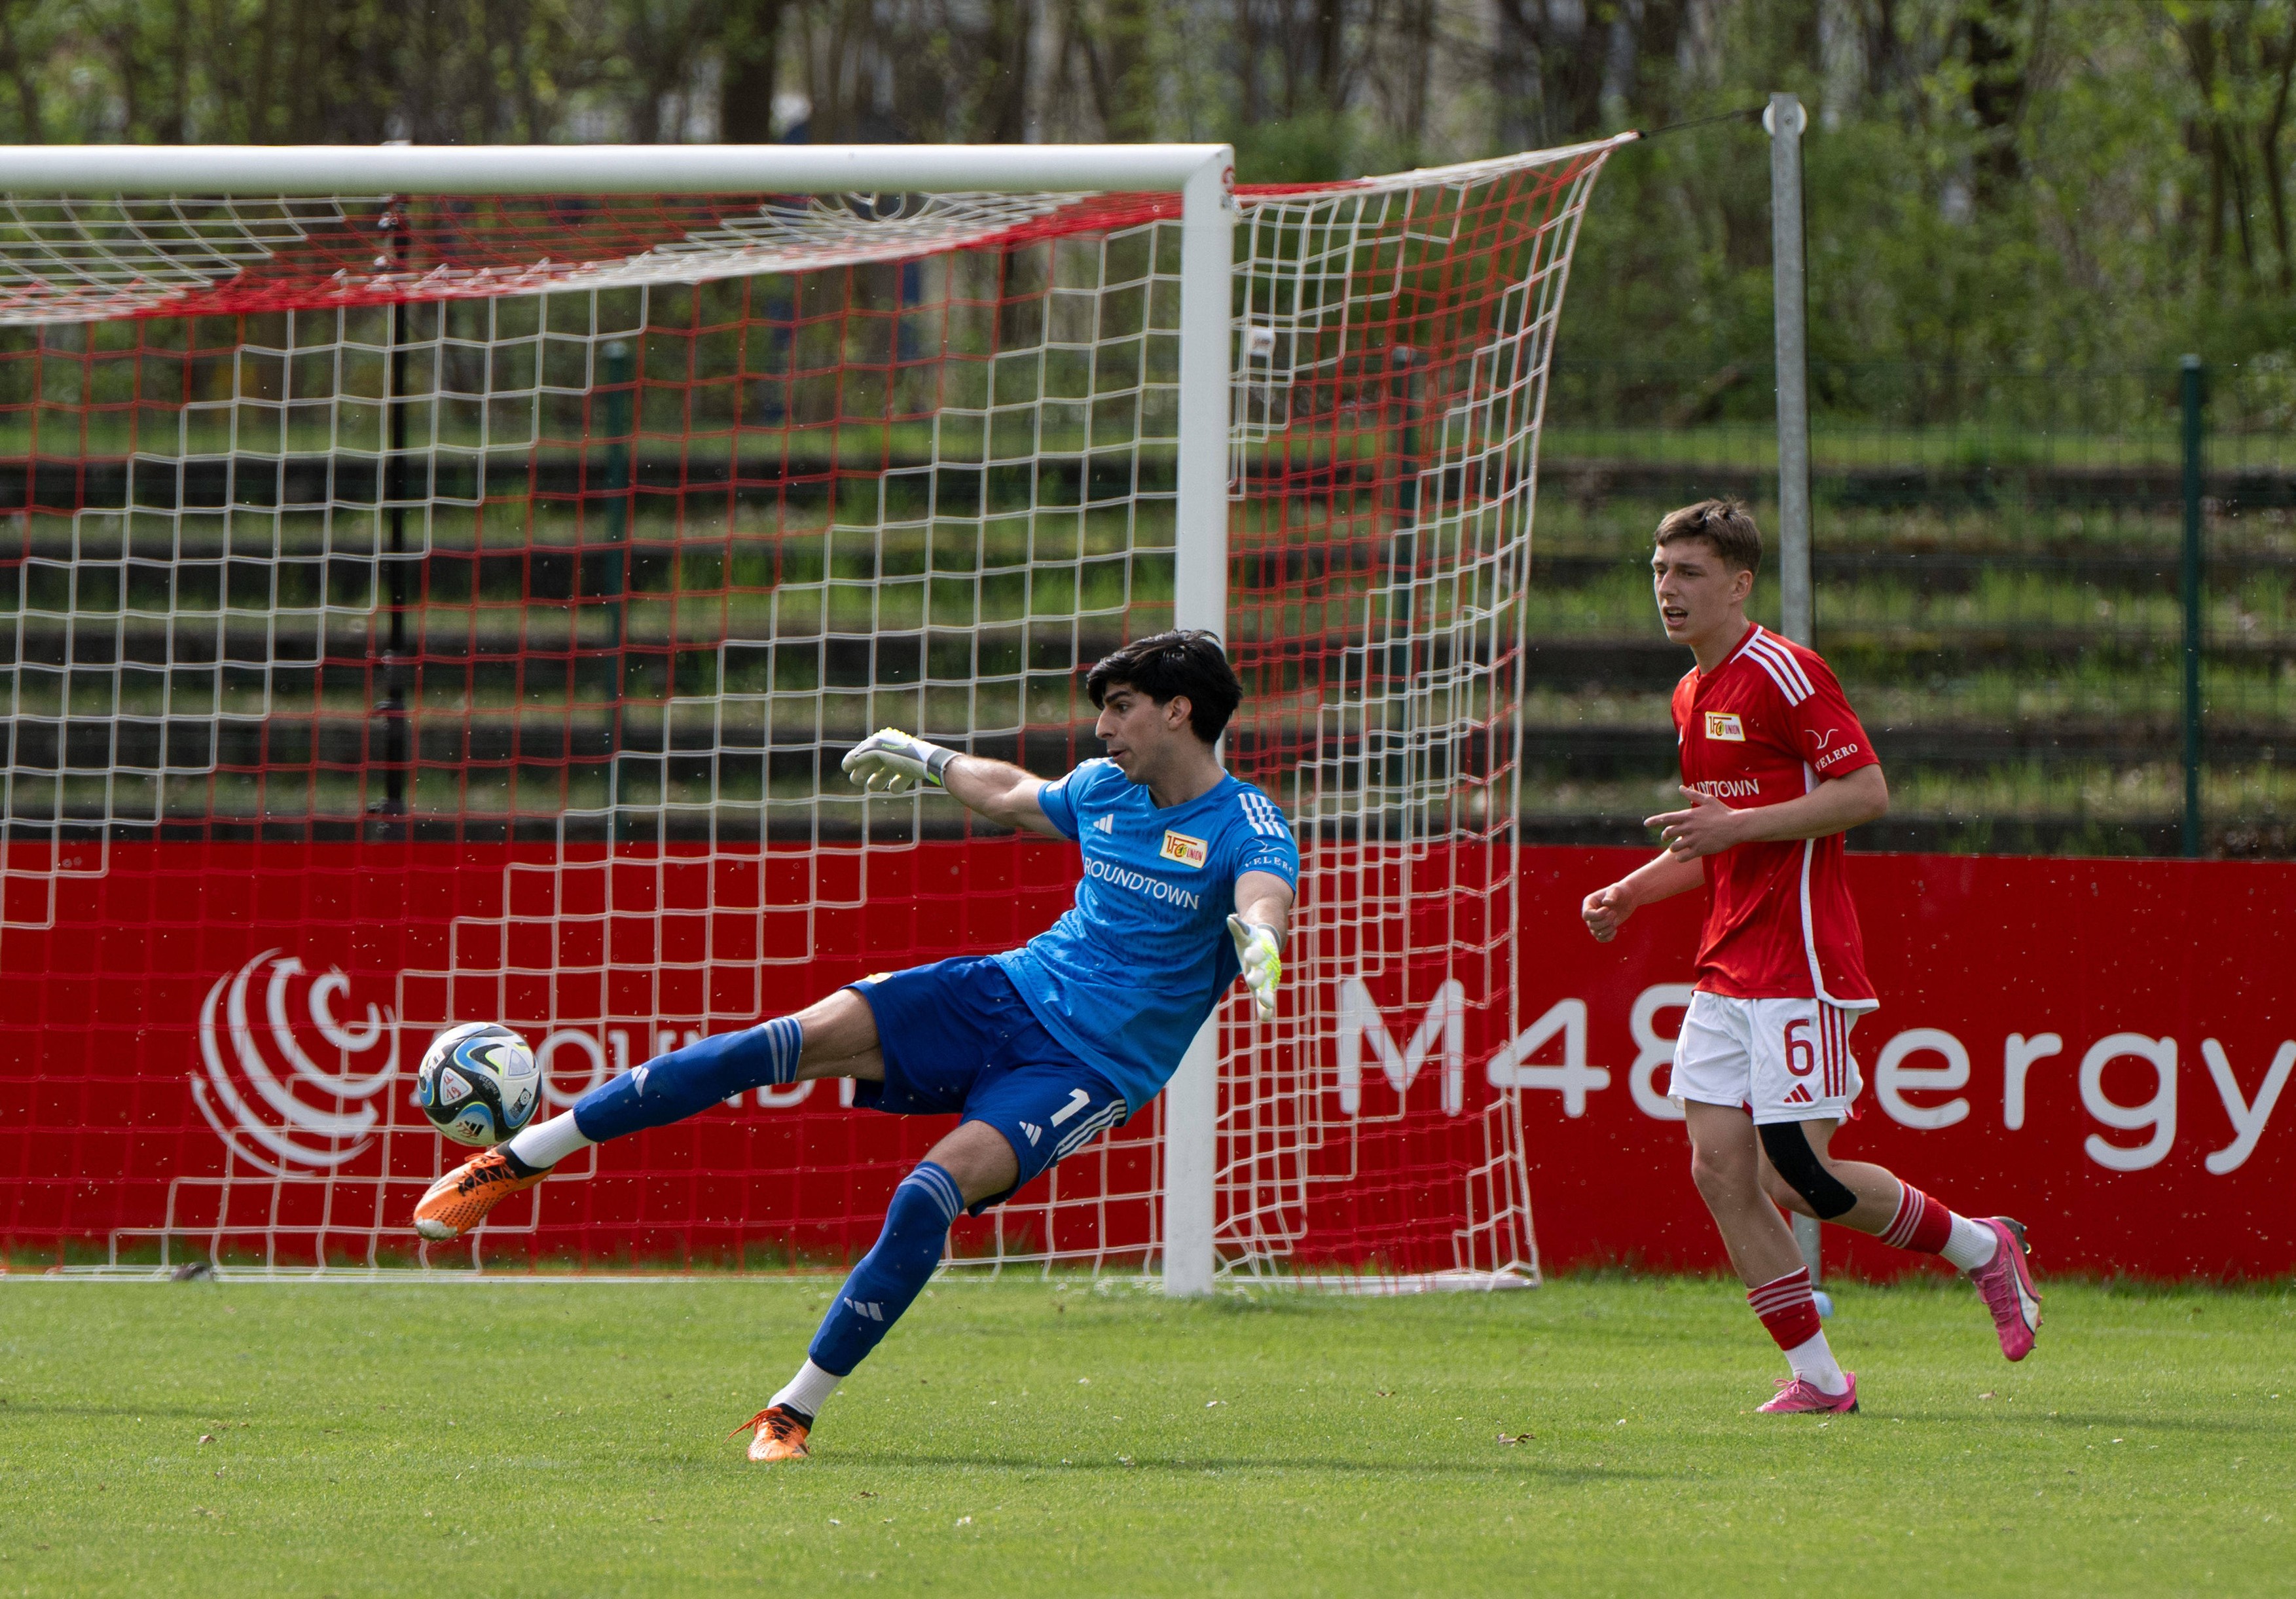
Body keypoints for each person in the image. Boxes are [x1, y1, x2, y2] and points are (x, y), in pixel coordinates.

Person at [411, 629, 1296, 1460]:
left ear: (1180, 710)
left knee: (925, 1196)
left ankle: (791, 1411)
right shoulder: (1108, 788)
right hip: (1002, 989)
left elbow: (1261, 891)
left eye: (1124, 706)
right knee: (763, 1046)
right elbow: (1012, 795)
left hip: (1086, 1067)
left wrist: (1260, 935)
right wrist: (924, 755)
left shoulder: (1245, 820)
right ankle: (516, 1161)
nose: (1104, 726)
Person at [1580, 500, 2040, 1415]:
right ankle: (1821, 1378)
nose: (1668, 590)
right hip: (1725, 963)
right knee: (1719, 1170)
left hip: (1800, 963)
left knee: (1802, 1179)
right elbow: (1718, 839)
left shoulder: (1786, 673)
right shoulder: (1691, 691)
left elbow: (1865, 789)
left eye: (1690, 573)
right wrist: (1633, 891)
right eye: (1660, 571)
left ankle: (1982, 1246)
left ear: (1740, 584)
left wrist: (1735, 824)